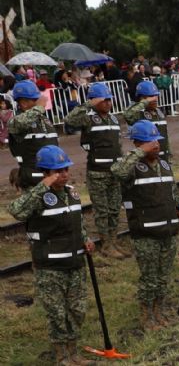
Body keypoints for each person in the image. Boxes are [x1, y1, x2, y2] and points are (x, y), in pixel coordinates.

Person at [8, 145, 95, 365]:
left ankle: (74, 352)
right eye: (58, 171)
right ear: (45, 172)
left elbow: (77, 222)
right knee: (57, 313)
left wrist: (85, 238)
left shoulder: (71, 194)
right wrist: (42, 187)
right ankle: (61, 356)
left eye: (65, 169)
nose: (64, 174)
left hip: (75, 262)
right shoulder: (36, 196)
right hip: (50, 268)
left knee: (77, 310)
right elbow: (16, 211)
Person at [111, 120, 179, 331]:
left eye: (156, 141)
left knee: (163, 277)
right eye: (149, 141)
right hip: (146, 233)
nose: (156, 145)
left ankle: (159, 312)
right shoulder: (131, 166)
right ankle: (147, 316)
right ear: (137, 144)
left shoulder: (164, 164)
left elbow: (173, 191)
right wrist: (138, 152)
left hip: (169, 229)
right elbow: (117, 171)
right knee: (149, 279)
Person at [63, 83, 128, 260]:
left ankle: (113, 241)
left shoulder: (114, 119)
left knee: (114, 209)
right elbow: (69, 120)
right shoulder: (88, 118)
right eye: (103, 100)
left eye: (109, 100)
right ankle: (106, 244)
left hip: (114, 172)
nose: (107, 103)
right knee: (102, 211)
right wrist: (88, 105)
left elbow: (118, 145)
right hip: (97, 173)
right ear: (94, 101)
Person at [8, 81, 58, 190]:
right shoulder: (15, 122)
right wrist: (39, 107)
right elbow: (22, 122)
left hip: (53, 177)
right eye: (36, 100)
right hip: (33, 181)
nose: (40, 102)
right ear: (24, 103)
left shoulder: (44, 120)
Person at [124, 80, 172, 160]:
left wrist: (169, 152)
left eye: (156, 95)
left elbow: (165, 135)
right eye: (151, 96)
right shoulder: (138, 113)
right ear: (142, 98)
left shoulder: (159, 112)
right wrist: (145, 102)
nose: (155, 99)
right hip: (147, 159)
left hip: (164, 157)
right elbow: (127, 115)